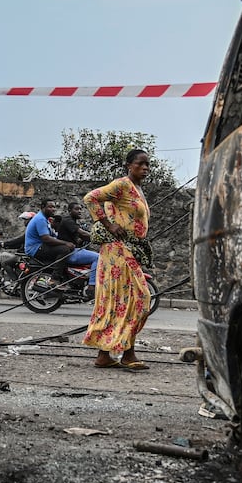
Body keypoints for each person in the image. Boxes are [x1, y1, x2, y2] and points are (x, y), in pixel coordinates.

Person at [82, 149, 154, 370]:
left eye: (148, 165)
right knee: (140, 297)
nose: (145, 168)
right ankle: (126, 353)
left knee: (122, 301)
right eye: (140, 164)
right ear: (129, 165)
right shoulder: (121, 185)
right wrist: (109, 225)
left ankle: (108, 355)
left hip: (129, 249)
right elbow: (91, 198)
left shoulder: (137, 189)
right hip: (117, 251)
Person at [27, 201, 98, 285]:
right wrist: (99, 238)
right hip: (36, 248)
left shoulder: (45, 219)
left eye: (54, 207)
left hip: (42, 246)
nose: (53, 209)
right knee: (97, 257)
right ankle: (92, 285)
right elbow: (46, 238)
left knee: (66, 248)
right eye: (50, 207)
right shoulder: (41, 219)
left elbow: (80, 236)